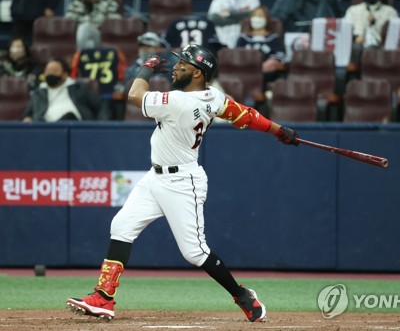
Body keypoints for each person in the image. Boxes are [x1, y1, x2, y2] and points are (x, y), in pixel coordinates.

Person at [65, 44, 299, 322]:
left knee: (195, 252)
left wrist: (147, 67)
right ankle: (103, 298)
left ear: (198, 73)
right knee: (122, 226)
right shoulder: (213, 97)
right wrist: (277, 130)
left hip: (182, 181)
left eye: (183, 64)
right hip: (155, 177)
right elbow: (245, 115)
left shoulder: (180, 102)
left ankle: (242, 295)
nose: (176, 68)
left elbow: (134, 94)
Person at [22, 58, 107, 122]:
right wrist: (27, 119)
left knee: (69, 116)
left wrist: (101, 124)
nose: (50, 74)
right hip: (45, 129)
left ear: (65, 75)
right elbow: (27, 115)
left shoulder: (79, 88)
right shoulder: (38, 93)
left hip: (75, 128)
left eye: (54, 71)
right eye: (47, 71)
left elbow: (102, 104)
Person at [236, 6, 287, 92]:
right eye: (254, 16)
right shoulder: (243, 38)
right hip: (246, 69)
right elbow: (236, 55)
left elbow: (281, 55)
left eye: (260, 16)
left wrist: (272, 62)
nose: (257, 19)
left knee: (259, 75)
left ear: (266, 19)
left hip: (266, 71)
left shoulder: (274, 38)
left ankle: (256, 99)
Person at [344, 0, 398, 68]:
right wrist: (355, 37)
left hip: (380, 43)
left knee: (371, 49)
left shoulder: (390, 12)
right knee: (356, 48)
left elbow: (394, 32)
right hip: (358, 43)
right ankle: (353, 73)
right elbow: (345, 29)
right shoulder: (353, 10)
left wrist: (375, 22)